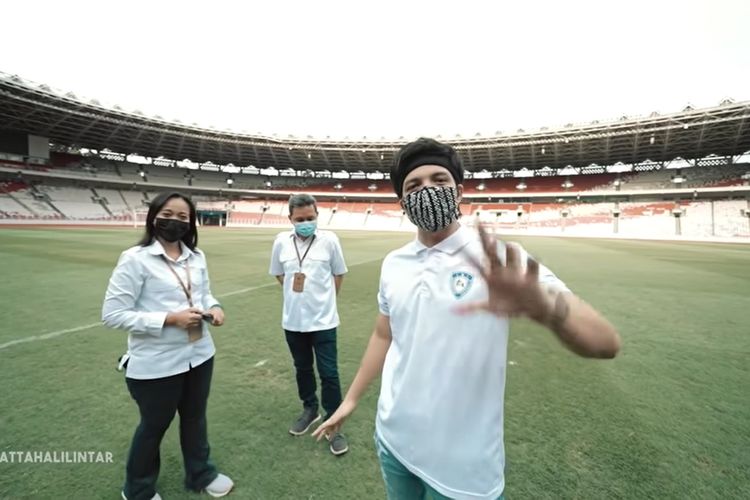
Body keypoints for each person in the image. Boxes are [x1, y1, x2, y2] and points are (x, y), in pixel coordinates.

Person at [313, 138, 622, 500]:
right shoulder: (394, 264)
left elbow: (605, 343)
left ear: (459, 191)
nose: (427, 189)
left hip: (464, 472)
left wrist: (543, 305)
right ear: (403, 204)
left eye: (439, 180)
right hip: (394, 440)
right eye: (414, 185)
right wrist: (350, 401)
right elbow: (384, 334)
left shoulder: (500, 258)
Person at [102, 191, 234, 500]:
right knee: (154, 426)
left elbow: (206, 295)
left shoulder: (196, 257)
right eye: (168, 214)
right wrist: (169, 319)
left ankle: (201, 473)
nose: (175, 221)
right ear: (154, 216)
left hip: (200, 354)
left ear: (191, 224)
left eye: (183, 217)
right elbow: (112, 315)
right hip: (156, 362)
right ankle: (138, 489)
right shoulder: (135, 259)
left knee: (195, 418)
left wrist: (215, 309)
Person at [269, 193, 349, 455]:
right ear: (290, 218)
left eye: (311, 218)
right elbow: (280, 274)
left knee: (329, 373)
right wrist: (298, 298)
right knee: (302, 368)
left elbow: (338, 273)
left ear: (317, 215)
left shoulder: (330, 240)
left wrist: (323, 300)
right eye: (300, 219)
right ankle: (310, 409)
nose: (306, 223)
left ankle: (334, 422)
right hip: (293, 321)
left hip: (324, 321)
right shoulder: (281, 241)